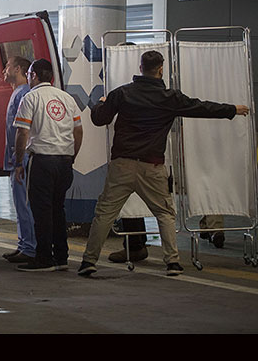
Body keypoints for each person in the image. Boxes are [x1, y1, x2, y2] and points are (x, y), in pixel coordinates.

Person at [78, 50, 249, 277]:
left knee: (105, 214)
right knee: (165, 214)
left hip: (122, 165)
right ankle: (172, 263)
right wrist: (232, 110)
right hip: (152, 167)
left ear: (140, 68)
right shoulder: (170, 98)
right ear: (161, 69)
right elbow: (202, 108)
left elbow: (100, 119)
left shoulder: (121, 93)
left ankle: (88, 262)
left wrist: (101, 103)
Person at [13, 59, 83, 272]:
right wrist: (72, 156)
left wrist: (18, 163)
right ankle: (61, 257)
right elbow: (78, 131)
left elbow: (22, 132)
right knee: (58, 209)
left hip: (42, 161)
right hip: (64, 161)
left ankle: (44, 258)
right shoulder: (67, 98)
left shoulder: (30, 97)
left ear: (33, 75)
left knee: (41, 211)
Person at [0, 55, 37, 264]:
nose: (5, 70)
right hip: (17, 158)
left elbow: (23, 131)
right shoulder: (18, 93)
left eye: (8, 66)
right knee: (20, 203)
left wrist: (18, 159)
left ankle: (29, 247)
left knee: (24, 204)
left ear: (20, 70)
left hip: (21, 159)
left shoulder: (23, 93)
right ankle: (24, 243)